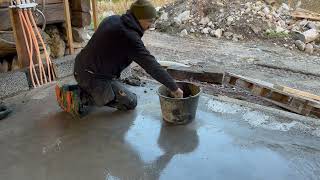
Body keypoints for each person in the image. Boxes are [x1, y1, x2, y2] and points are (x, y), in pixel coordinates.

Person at [55, 0, 183, 117]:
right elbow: (151, 65)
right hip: (92, 77)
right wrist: (174, 88)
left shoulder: (114, 19)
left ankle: (89, 88)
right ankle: (76, 96)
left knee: (117, 89)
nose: (151, 25)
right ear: (139, 18)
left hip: (81, 66)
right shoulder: (128, 36)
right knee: (130, 102)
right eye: (149, 21)